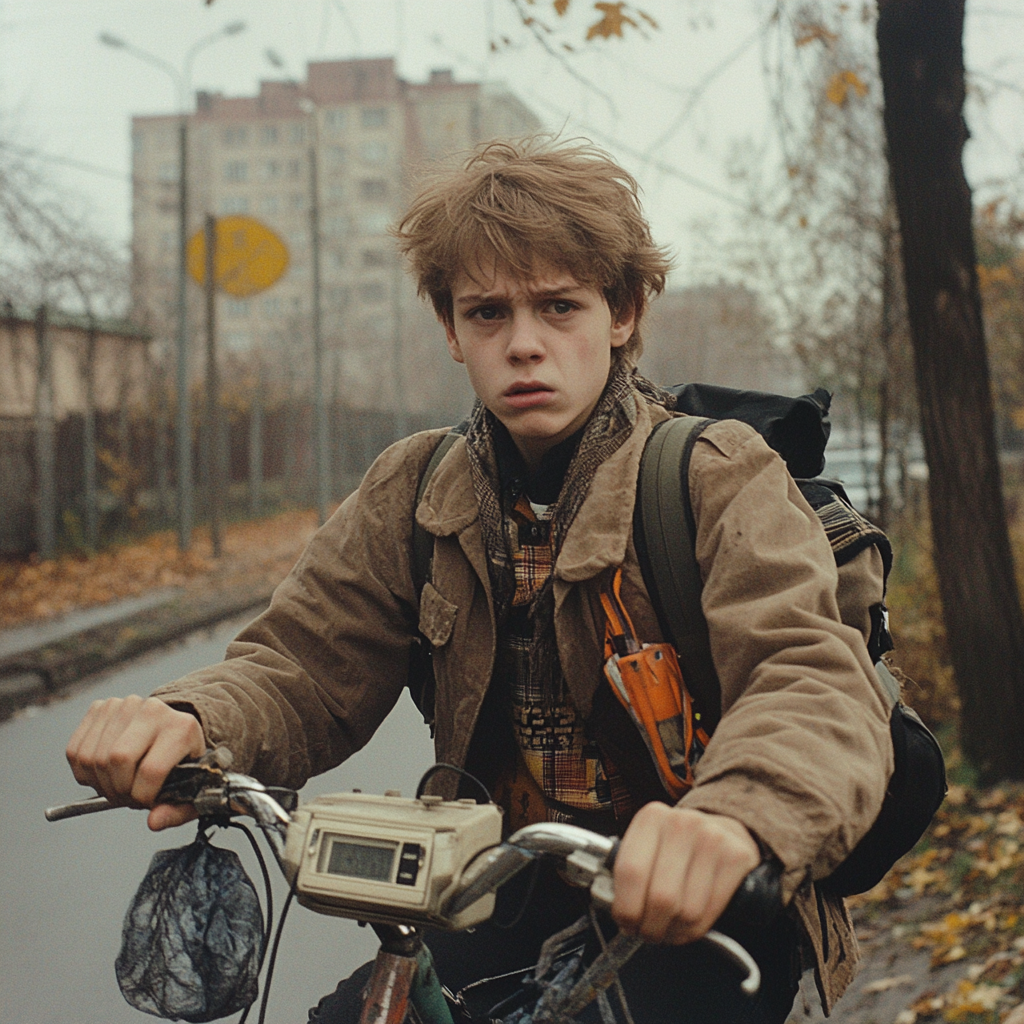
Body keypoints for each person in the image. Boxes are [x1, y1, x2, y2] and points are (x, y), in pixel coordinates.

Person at [66, 137, 892, 1023]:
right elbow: (300, 667)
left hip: (699, 897)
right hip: (501, 890)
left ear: (622, 313)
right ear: (451, 330)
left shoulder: (712, 473)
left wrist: (736, 820)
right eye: (489, 313)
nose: (524, 345)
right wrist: (188, 718)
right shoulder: (417, 486)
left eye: (558, 306)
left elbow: (806, 677)